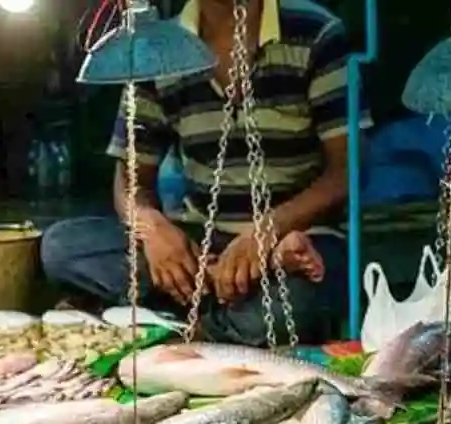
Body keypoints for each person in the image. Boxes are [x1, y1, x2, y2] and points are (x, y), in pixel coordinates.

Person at [40, 0, 370, 346]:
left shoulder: (314, 33)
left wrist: (267, 234)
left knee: (298, 301)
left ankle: (171, 325)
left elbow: (348, 170)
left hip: (300, 237)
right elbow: (131, 178)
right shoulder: (160, 46)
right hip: (203, 244)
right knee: (63, 247)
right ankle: (218, 304)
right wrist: (153, 229)